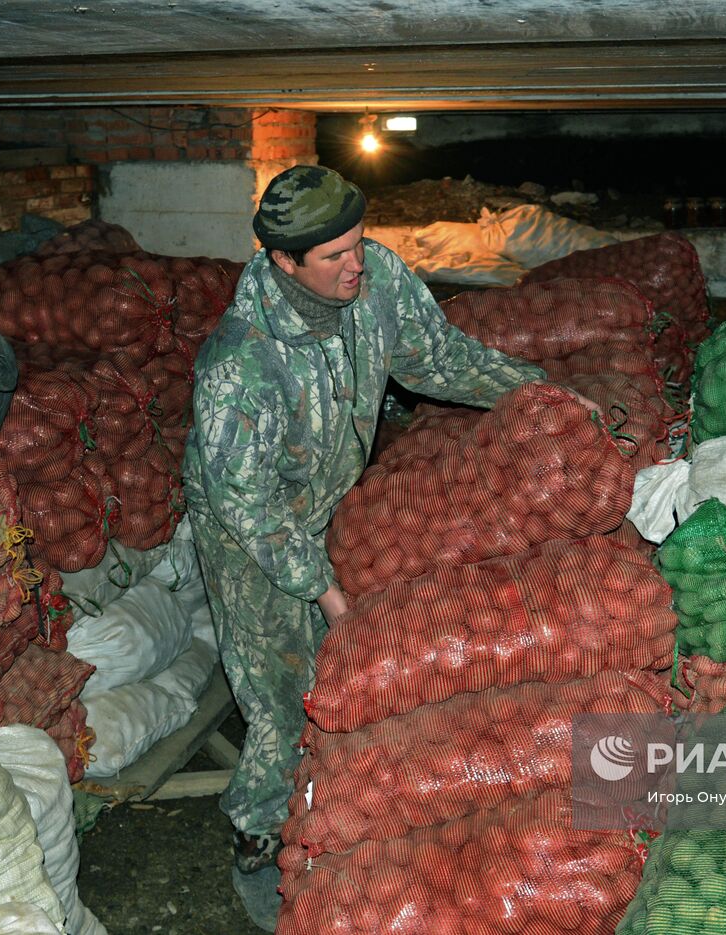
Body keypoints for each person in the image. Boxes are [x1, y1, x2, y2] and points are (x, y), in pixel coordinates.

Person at [182, 165, 596, 922]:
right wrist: (327, 592)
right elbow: (248, 502)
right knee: (280, 686)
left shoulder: (377, 282)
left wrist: (534, 389)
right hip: (252, 526)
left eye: (358, 244)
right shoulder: (239, 365)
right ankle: (258, 822)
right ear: (283, 263)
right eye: (335, 256)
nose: (356, 265)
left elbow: (438, 359)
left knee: (343, 669)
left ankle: (338, 798)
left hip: (329, 491)